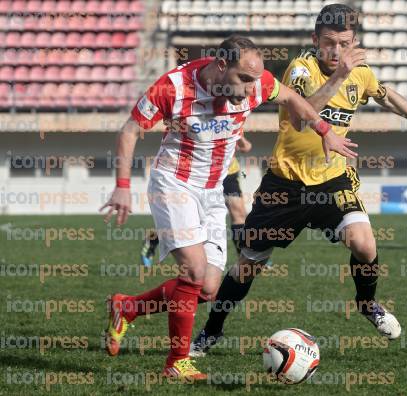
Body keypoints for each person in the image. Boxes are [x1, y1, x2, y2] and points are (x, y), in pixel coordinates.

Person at [190, 4, 407, 357]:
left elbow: (385, 94)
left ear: (354, 41)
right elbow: (301, 117)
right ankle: (211, 330)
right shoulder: (302, 69)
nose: (337, 51)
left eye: (345, 43)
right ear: (315, 40)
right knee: (248, 265)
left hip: (333, 182)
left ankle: (367, 303)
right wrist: (338, 77)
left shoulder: (359, 73)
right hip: (284, 185)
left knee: (364, 244)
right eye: (329, 42)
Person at [100, 35, 357, 380]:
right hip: (174, 185)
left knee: (206, 288)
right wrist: (122, 186)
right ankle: (177, 362)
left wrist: (324, 130)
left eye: (256, 80)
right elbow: (130, 131)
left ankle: (128, 307)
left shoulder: (258, 83)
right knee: (193, 271)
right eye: (245, 80)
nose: (254, 89)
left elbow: (294, 99)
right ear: (221, 66)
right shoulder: (173, 87)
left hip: (212, 191)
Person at [140, 135, 252, 267]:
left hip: (228, 173)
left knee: (239, 213)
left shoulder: (232, 117)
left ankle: (246, 259)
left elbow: (246, 147)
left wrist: (238, 139)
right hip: (201, 174)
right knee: (193, 219)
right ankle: (153, 239)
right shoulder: (199, 119)